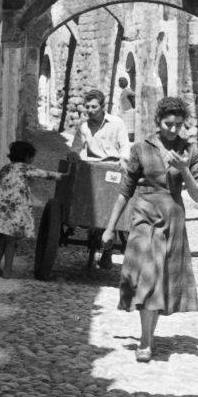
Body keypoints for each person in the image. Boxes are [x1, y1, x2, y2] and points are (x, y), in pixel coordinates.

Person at [101, 96, 198, 362]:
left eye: (178, 125)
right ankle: (146, 340)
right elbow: (125, 191)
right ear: (158, 121)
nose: (173, 129)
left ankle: (147, 339)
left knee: (156, 277)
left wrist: (184, 170)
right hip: (144, 216)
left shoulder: (189, 150)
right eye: (169, 124)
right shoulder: (141, 148)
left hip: (172, 219)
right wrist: (110, 228)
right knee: (146, 274)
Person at [71, 88, 131, 268]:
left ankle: (107, 250)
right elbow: (76, 147)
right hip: (93, 168)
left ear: (103, 106)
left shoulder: (117, 123)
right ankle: (88, 225)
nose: (90, 110)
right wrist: (73, 154)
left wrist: (124, 158)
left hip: (114, 168)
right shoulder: (83, 127)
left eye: (94, 107)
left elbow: (125, 145)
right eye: (87, 107)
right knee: (86, 199)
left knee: (113, 205)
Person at [0, 140, 66, 277]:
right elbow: (44, 174)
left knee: (2, 239)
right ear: (26, 156)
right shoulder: (25, 168)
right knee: (11, 240)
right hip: (14, 210)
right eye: (32, 157)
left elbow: (1, 184)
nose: (32, 160)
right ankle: (7, 270)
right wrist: (63, 176)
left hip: (0, 207)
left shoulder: (5, 168)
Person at [116, 77, 136, 142]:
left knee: (129, 128)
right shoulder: (123, 91)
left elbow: (134, 94)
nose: (119, 83)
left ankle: (130, 140)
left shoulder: (127, 90)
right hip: (124, 112)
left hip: (128, 111)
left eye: (120, 82)